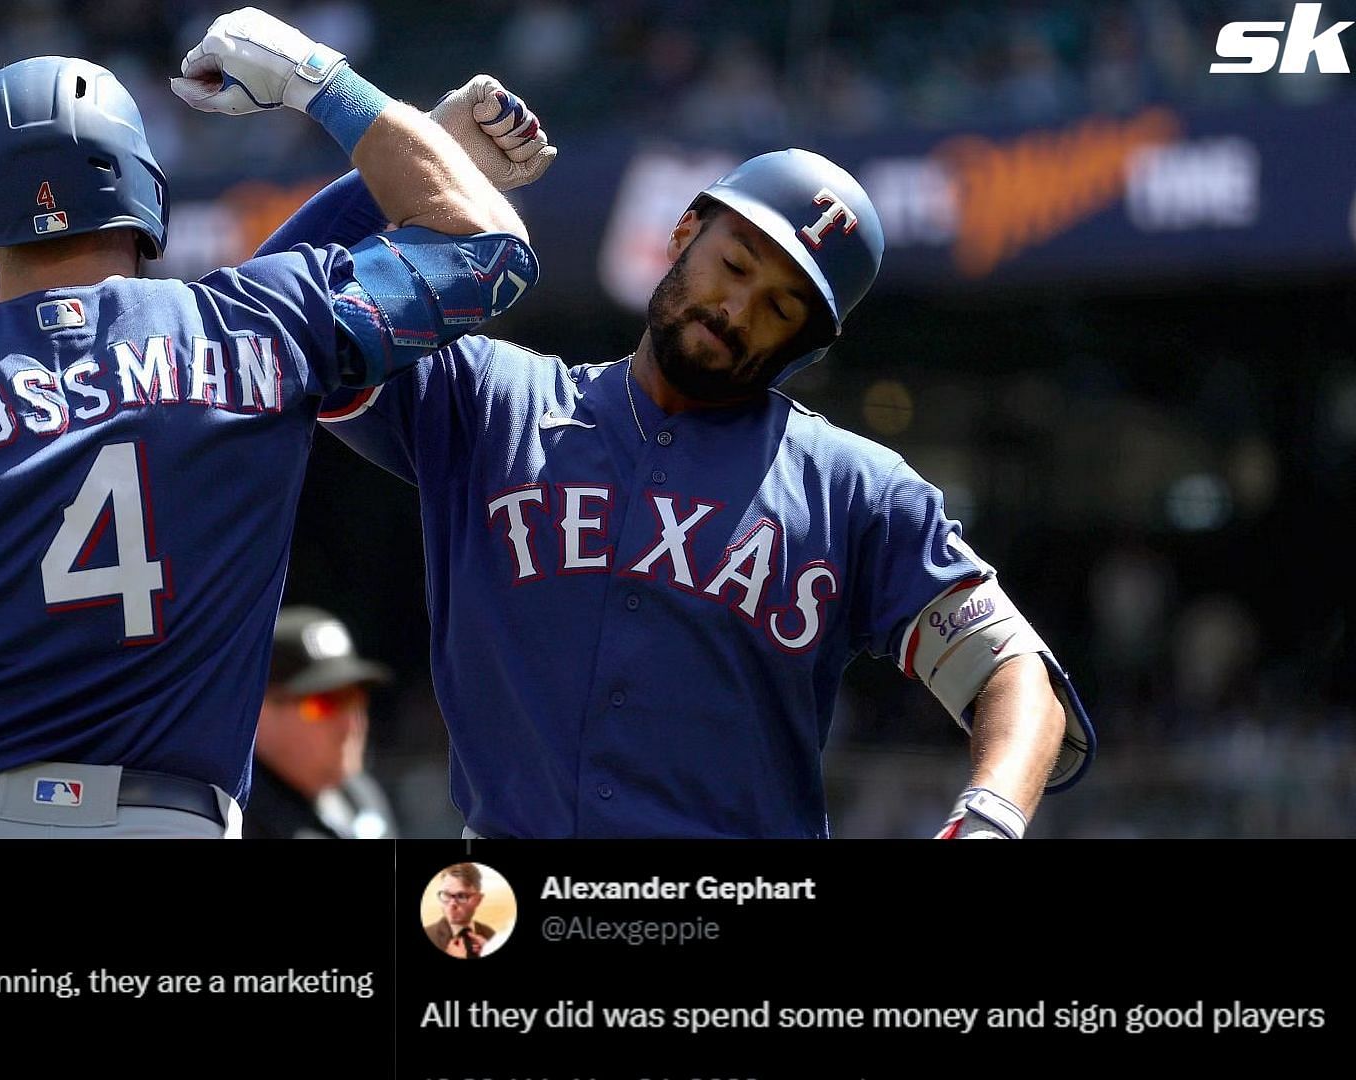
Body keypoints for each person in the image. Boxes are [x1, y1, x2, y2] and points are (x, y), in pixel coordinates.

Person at [0, 7, 536, 838]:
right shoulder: (252, 331)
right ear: (149, 196)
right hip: (166, 822)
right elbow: (486, 248)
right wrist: (334, 89)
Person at [259, 99, 1096, 839]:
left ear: (803, 347)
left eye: (780, 309)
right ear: (685, 231)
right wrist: (418, 143)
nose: (737, 311)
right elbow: (270, 317)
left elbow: (1015, 674)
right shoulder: (485, 401)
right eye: (736, 268)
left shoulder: (856, 490)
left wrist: (991, 814)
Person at [244, 605, 397, 839]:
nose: (350, 724)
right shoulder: (236, 821)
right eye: (324, 703)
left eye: (354, 698)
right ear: (260, 712)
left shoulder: (360, 795)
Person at [425, 863, 495, 958]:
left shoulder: (491, 936)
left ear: (478, 900)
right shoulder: (428, 935)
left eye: (461, 896)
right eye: (446, 894)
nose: (452, 903)